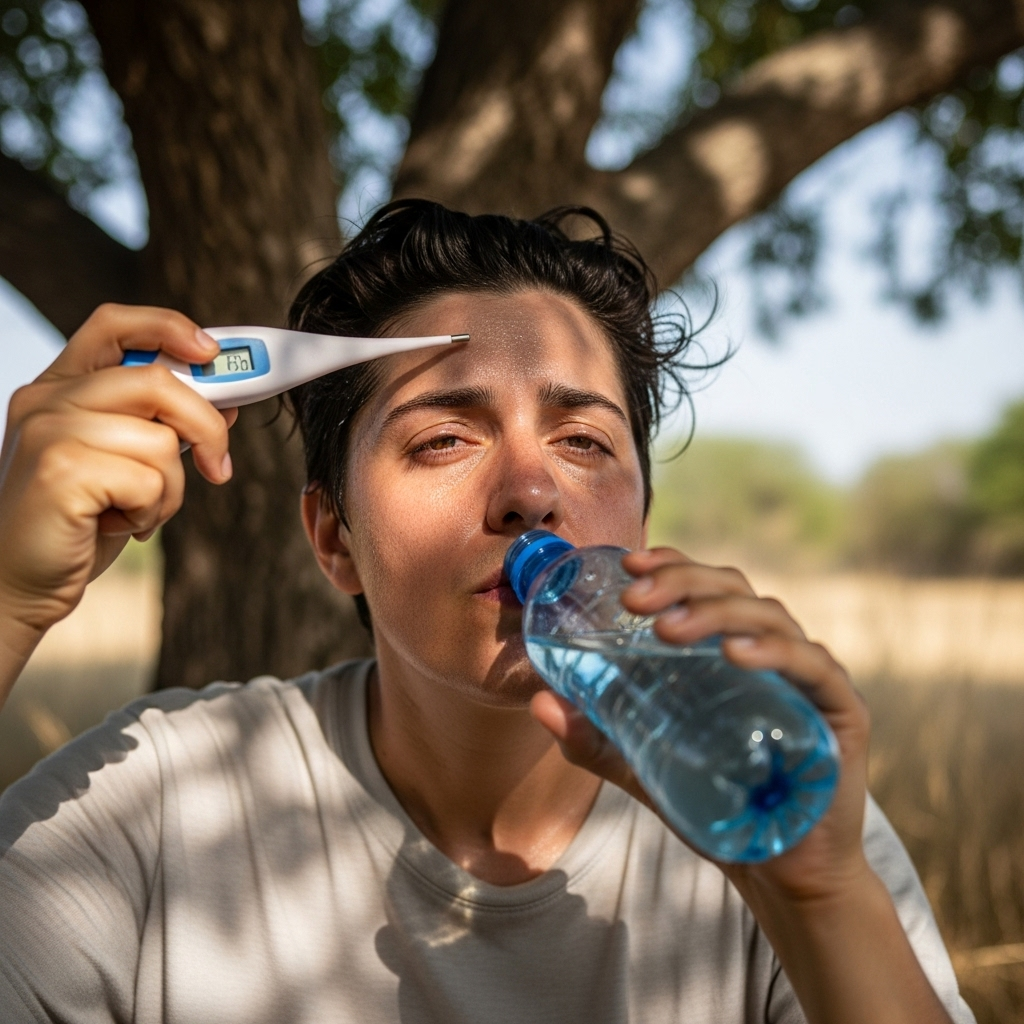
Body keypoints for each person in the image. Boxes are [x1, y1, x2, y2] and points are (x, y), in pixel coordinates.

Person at [0, 200, 972, 1024]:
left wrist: (820, 900)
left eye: (583, 441)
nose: (528, 491)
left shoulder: (771, 797)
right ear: (333, 537)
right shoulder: (153, 805)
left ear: (641, 515)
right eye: (444, 437)